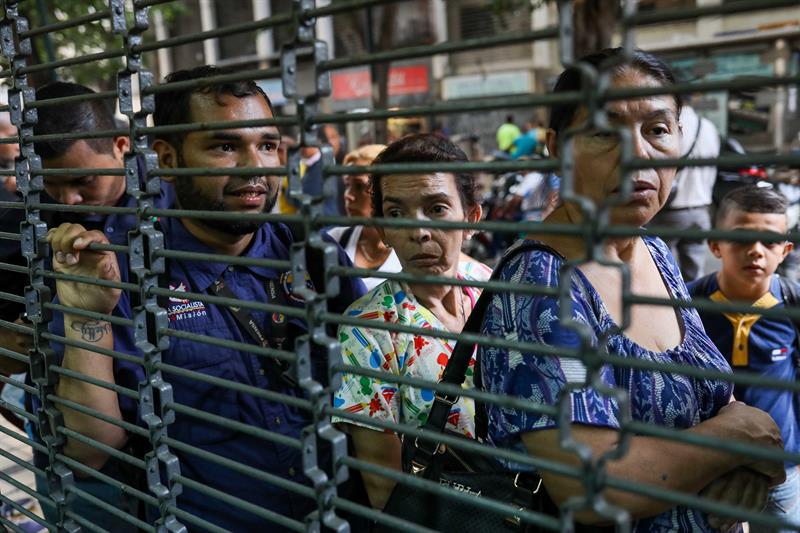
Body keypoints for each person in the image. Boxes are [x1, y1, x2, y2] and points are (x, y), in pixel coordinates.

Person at [45, 66, 366, 531]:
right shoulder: (118, 273)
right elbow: (89, 447)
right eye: (225, 146)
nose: (256, 169)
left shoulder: (314, 257)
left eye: (268, 145)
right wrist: (83, 318)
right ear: (168, 159)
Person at [480, 48, 785, 532]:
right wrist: (732, 436)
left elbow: (704, 393)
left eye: (657, 130)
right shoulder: (542, 286)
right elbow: (588, 486)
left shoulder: (654, 250)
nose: (638, 154)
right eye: (606, 131)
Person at [5, 81, 175, 531]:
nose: (69, 201)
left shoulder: (181, 210)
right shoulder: (24, 224)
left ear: (121, 145)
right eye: (52, 186)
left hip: (177, 441)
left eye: (83, 181)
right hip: (77, 454)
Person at [332, 133, 492, 510]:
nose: (417, 232)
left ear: (471, 218)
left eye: (436, 209)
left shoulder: (488, 285)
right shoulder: (368, 330)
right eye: (397, 213)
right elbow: (384, 488)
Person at [689, 186, 800, 532]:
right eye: (742, 239)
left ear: (785, 250)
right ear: (714, 244)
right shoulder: (687, 304)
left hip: (782, 466)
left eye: (769, 242)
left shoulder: (793, 304)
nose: (755, 251)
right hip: (710, 463)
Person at [649, 104, 720, 281]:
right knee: (694, 274)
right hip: (701, 211)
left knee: (665, 274)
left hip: (672, 212)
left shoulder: (671, 127)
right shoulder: (709, 127)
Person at [326, 144, 402, 290]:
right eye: (347, 184)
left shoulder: (409, 244)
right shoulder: (337, 239)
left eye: (360, 186)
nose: (347, 194)